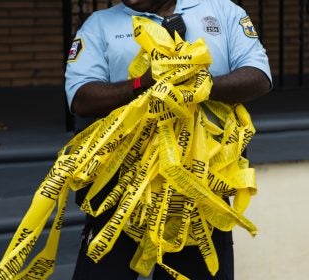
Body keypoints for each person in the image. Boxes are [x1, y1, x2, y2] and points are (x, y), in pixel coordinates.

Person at [64, 0, 272, 279]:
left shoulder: (224, 11)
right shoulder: (99, 25)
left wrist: (197, 85)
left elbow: (258, 76)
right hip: (121, 186)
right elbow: (81, 98)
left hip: (199, 187)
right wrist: (143, 83)